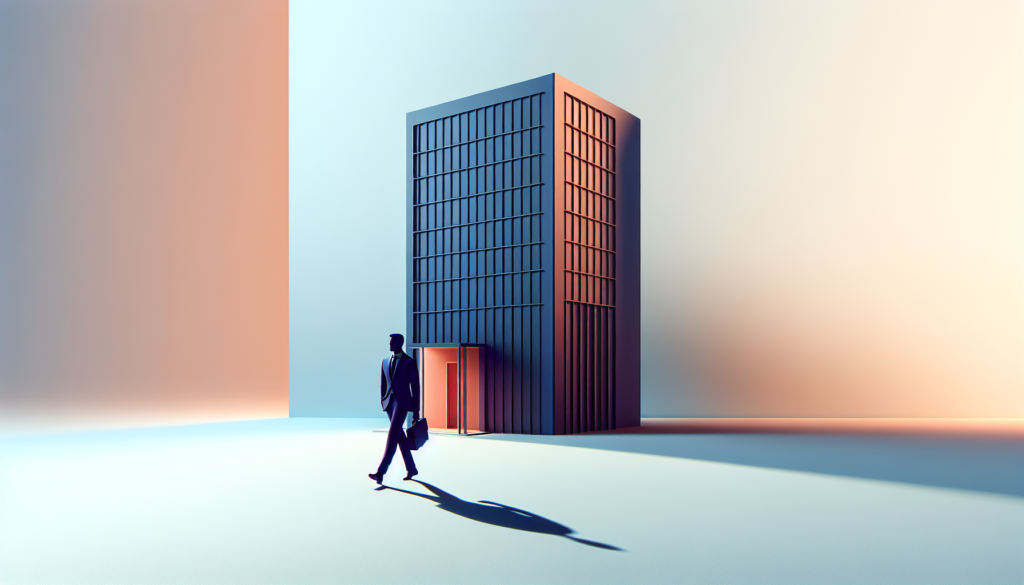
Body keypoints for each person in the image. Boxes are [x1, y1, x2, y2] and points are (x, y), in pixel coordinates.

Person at [369, 333, 420, 484]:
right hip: (389, 402)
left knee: (392, 435)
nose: (390, 345)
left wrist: (416, 410)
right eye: (389, 343)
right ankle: (411, 468)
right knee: (399, 436)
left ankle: (380, 472)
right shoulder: (385, 362)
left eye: (392, 343)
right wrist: (382, 400)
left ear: (399, 343)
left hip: (403, 403)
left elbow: (416, 387)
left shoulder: (409, 362)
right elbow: (382, 384)